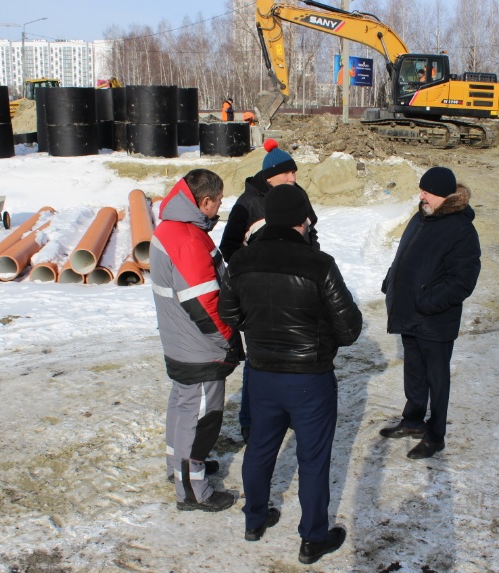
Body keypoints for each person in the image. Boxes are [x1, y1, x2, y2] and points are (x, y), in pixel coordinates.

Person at [219, 184, 363, 564]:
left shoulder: (242, 261)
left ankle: (254, 520)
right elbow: (349, 329)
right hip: (309, 378)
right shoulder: (319, 264)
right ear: (302, 221)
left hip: (262, 374)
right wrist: (320, 337)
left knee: (261, 447)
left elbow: (229, 314)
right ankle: (313, 537)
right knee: (313, 459)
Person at [150, 168, 244, 512]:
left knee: (182, 407)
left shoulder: (172, 228)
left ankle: (180, 469)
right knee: (202, 420)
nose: (221, 206)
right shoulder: (187, 239)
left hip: (180, 342)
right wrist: (229, 341)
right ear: (204, 202)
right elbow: (204, 304)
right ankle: (193, 490)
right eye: (218, 201)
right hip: (199, 347)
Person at [218, 138, 320, 444]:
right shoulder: (247, 203)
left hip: (295, 290)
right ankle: (250, 420)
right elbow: (229, 246)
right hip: (260, 295)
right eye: (286, 173)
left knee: (291, 356)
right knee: (258, 360)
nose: (292, 178)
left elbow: (312, 233)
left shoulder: (297, 195)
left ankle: (286, 413)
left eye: (294, 173)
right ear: (269, 175)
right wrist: (250, 275)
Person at [379, 166, 481, 460]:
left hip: (434, 319)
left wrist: (428, 301)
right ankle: (412, 420)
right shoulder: (422, 215)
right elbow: (406, 253)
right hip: (410, 312)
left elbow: (463, 280)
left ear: (445, 196)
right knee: (414, 372)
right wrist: (392, 280)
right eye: (422, 189)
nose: (421, 195)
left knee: (437, 379)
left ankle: (435, 436)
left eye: (427, 192)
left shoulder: (461, 229)